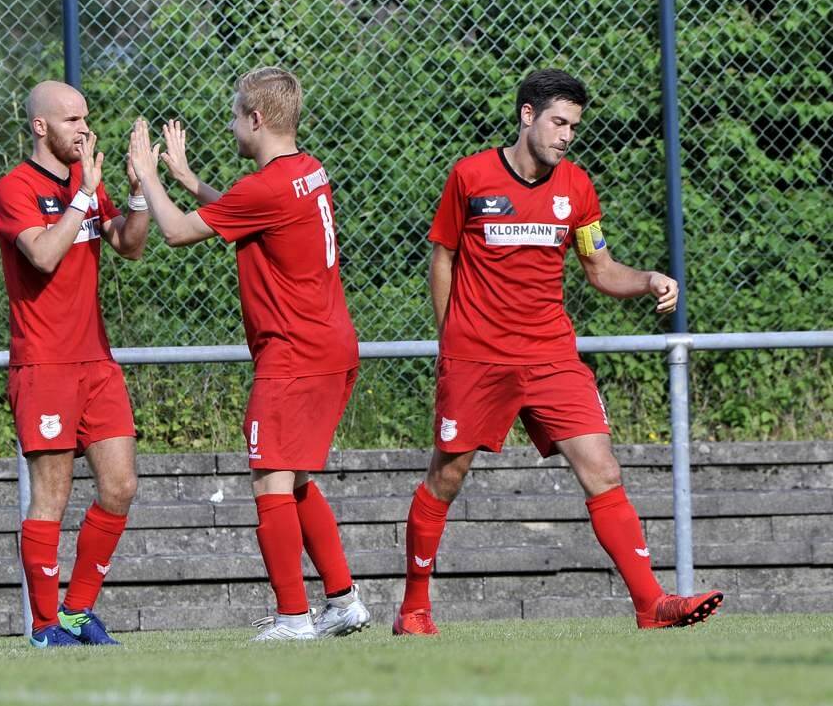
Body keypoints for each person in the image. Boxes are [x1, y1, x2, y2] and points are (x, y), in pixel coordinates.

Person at [394, 69, 724, 635]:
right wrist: (453, 336)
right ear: (527, 115)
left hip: (552, 355)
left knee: (603, 468)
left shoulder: (577, 188)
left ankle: (652, 605)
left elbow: (599, 268)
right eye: (558, 121)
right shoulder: (470, 176)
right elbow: (443, 256)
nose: (567, 134)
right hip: (477, 358)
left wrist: (647, 280)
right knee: (446, 478)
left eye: (574, 125)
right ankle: (414, 609)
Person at [127, 67, 371, 641]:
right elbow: (245, 211)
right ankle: (342, 602)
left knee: (269, 481)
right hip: (330, 345)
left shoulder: (265, 186)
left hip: (295, 353)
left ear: (255, 120)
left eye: (236, 115)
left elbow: (179, 233)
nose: (233, 124)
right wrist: (186, 177)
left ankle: (293, 617)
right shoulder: (307, 170)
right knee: (298, 480)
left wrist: (146, 177)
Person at [0, 80, 150, 647]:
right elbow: (42, 254)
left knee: (121, 485)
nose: (84, 128)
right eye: (71, 120)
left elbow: (128, 245)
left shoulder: (88, 184)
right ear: (41, 127)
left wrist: (135, 196)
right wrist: (84, 193)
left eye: (86, 118)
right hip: (44, 365)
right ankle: (42, 625)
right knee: (51, 496)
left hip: (96, 362)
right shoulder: (15, 187)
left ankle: (78, 610)